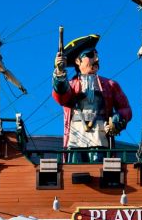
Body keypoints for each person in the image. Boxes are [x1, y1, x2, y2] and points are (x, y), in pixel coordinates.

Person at [52, 34, 132, 162]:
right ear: (78, 61)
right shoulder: (71, 86)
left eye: (96, 55)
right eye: (90, 55)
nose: (96, 59)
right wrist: (60, 73)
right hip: (76, 136)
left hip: (99, 136)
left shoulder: (110, 85)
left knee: (99, 168)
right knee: (74, 169)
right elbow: (61, 97)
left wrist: (117, 120)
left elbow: (125, 109)